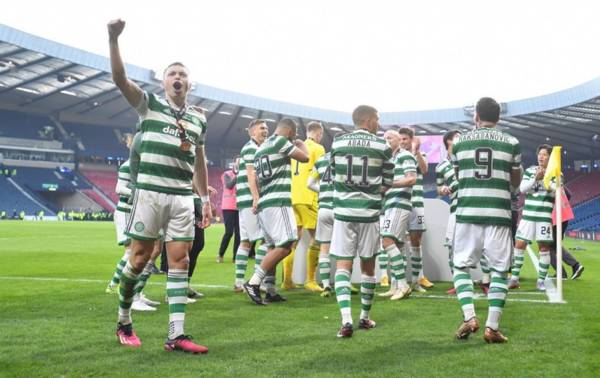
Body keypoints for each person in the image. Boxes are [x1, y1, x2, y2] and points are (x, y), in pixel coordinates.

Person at [108, 18, 212, 353]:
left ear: (189, 84)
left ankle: (176, 335)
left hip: (182, 197)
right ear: (163, 82)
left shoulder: (198, 118)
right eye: (172, 74)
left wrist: (204, 199)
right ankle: (124, 320)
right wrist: (113, 39)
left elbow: (199, 160)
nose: (177, 78)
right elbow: (120, 79)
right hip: (150, 195)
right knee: (138, 259)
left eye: (182, 74)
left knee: (179, 262)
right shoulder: (148, 105)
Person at [451, 97, 522, 343]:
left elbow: (460, 175)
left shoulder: (459, 143)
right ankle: (491, 328)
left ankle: (469, 316)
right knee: (500, 271)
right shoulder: (512, 142)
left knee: (460, 265)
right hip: (499, 213)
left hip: (468, 211)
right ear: (499, 118)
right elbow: (515, 181)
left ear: (476, 116)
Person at [329, 105, 394, 338]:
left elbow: (334, 171)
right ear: (367, 120)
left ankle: (346, 320)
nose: (378, 122)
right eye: (377, 118)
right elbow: (388, 180)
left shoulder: (338, 143)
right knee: (368, 266)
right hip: (369, 213)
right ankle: (364, 318)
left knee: (343, 266)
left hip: (344, 213)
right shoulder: (383, 145)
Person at [243, 118, 309, 304]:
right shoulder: (280, 141)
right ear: (289, 132)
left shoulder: (261, 148)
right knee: (287, 244)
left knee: (273, 246)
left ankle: (270, 290)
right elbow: (305, 158)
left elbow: (255, 178)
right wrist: (301, 144)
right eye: (293, 134)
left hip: (265, 202)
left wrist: (257, 198)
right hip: (279, 202)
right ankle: (254, 282)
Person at [283, 121, 326, 291]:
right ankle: (310, 280)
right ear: (319, 134)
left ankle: (287, 281)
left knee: (293, 241)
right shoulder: (318, 148)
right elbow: (321, 172)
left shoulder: (294, 148)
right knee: (318, 239)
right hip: (309, 198)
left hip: (293, 197)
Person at [377, 129, 417, 301]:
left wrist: (389, 184)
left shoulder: (405, 156)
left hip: (400, 203)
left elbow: (411, 178)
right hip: (390, 204)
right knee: (398, 245)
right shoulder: (389, 159)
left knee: (387, 240)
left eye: (389, 138)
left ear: (399, 140)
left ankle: (403, 284)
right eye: (384, 138)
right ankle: (395, 286)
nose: (386, 140)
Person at [509, 144, 556, 291]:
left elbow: (555, 192)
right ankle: (514, 279)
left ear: (550, 157)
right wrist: (536, 178)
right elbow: (522, 189)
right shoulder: (530, 171)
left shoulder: (556, 173)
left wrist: (544, 180)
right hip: (528, 216)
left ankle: (541, 281)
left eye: (544, 154)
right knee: (519, 245)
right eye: (539, 154)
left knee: (543, 248)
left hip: (544, 217)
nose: (541, 157)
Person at [233, 120, 270, 292]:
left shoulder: (252, 147)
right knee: (265, 239)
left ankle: (239, 282)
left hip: (244, 200)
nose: (266, 131)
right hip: (250, 200)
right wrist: (256, 198)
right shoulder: (251, 148)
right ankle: (257, 281)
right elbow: (251, 174)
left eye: (267, 128)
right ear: (252, 132)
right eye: (262, 128)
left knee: (246, 242)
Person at [405, 130, 434, 292]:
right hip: (400, 202)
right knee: (398, 242)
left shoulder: (419, 153)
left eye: (405, 139)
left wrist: (416, 152)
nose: (402, 141)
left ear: (411, 140)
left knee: (416, 240)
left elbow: (424, 170)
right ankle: (397, 281)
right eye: (400, 138)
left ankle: (418, 278)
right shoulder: (396, 155)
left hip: (416, 203)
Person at [307, 150, 334, 297]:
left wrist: (322, 189)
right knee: (345, 250)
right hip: (340, 207)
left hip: (323, 208)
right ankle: (346, 284)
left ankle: (326, 286)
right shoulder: (346, 157)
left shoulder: (321, 160)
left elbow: (309, 183)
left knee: (324, 248)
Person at [217, 163, 240, 263]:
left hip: (240, 207)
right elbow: (229, 186)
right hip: (228, 207)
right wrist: (238, 175)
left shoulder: (244, 173)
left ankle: (236, 257)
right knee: (229, 232)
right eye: (237, 162)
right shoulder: (226, 174)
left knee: (239, 234)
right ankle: (220, 254)